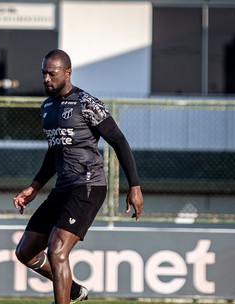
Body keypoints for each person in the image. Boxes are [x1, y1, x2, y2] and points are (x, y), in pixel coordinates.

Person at [13, 49, 144, 304]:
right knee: (25, 252)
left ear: (67, 73)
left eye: (52, 74)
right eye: (44, 74)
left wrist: (135, 186)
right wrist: (35, 186)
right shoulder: (47, 106)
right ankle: (73, 291)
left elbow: (119, 141)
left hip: (87, 186)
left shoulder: (86, 103)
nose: (46, 79)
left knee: (57, 250)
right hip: (63, 187)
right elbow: (55, 150)